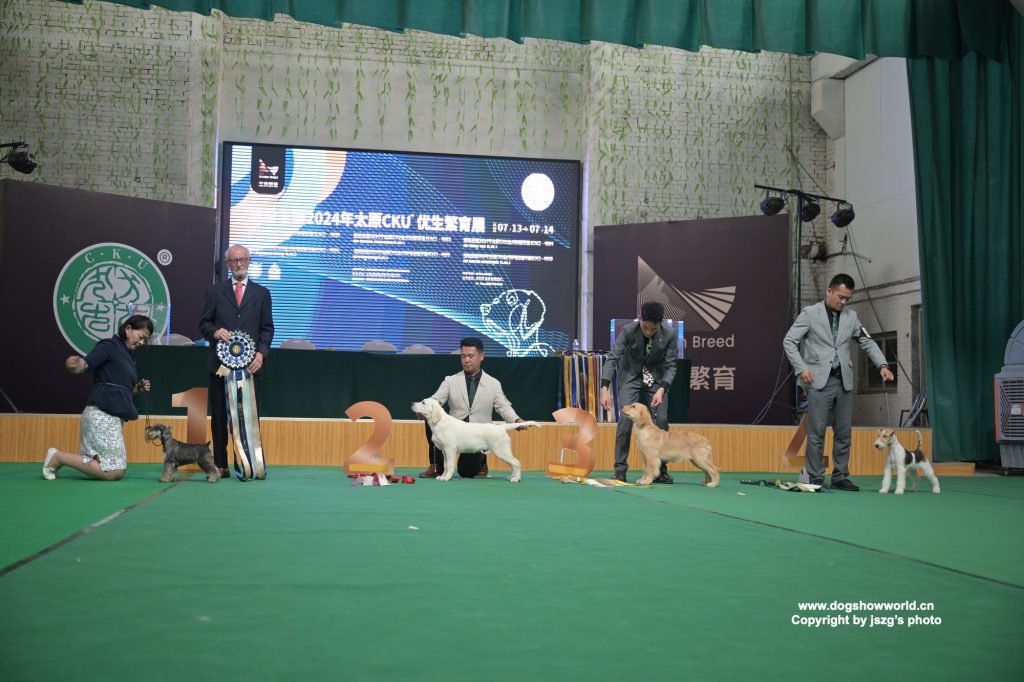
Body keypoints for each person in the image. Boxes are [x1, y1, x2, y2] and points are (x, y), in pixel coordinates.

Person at [783, 273, 894, 491]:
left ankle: (840, 476)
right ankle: (815, 477)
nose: (843, 302)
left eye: (847, 299)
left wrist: (882, 365)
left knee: (843, 433)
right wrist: (802, 368)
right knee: (817, 433)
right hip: (818, 381)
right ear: (829, 291)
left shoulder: (852, 317)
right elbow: (789, 341)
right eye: (840, 297)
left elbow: (867, 341)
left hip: (844, 382)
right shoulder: (810, 313)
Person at [43, 314, 153, 481]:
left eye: (145, 340)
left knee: (115, 470)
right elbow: (88, 363)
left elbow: (119, 388)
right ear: (128, 329)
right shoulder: (109, 346)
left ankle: (58, 457)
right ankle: (58, 457)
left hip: (113, 417)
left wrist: (136, 389)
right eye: (141, 337)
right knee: (113, 471)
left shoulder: (129, 355)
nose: (142, 342)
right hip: (101, 415)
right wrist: (78, 365)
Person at [198, 244, 275, 477]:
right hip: (220, 367)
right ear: (227, 264)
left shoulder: (262, 293)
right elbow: (203, 324)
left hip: (251, 366)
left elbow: (267, 329)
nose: (238, 264)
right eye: (234, 260)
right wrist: (214, 331)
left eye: (242, 259)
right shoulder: (214, 292)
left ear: (249, 261)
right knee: (219, 416)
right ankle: (220, 464)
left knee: (248, 417)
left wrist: (261, 353)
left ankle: (250, 463)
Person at [418, 337, 525, 479]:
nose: (466, 360)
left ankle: (481, 462)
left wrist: (516, 420)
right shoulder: (450, 381)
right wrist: (422, 409)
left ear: (481, 356)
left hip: (477, 434)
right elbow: (435, 400)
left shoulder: (493, 383)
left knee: (467, 472)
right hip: (454, 432)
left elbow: (503, 407)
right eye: (463, 356)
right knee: (431, 416)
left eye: (470, 356)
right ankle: (436, 465)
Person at [600, 301, 679, 483]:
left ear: (660, 323)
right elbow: (613, 358)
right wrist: (604, 388)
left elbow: (671, 366)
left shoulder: (670, 334)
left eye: (653, 329)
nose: (648, 332)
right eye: (645, 327)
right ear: (639, 318)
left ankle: (660, 471)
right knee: (625, 420)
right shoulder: (628, 330)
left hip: (657, 379)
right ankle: (620, 469)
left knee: (661, 420)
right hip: (631, 376)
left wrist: (662, 389)